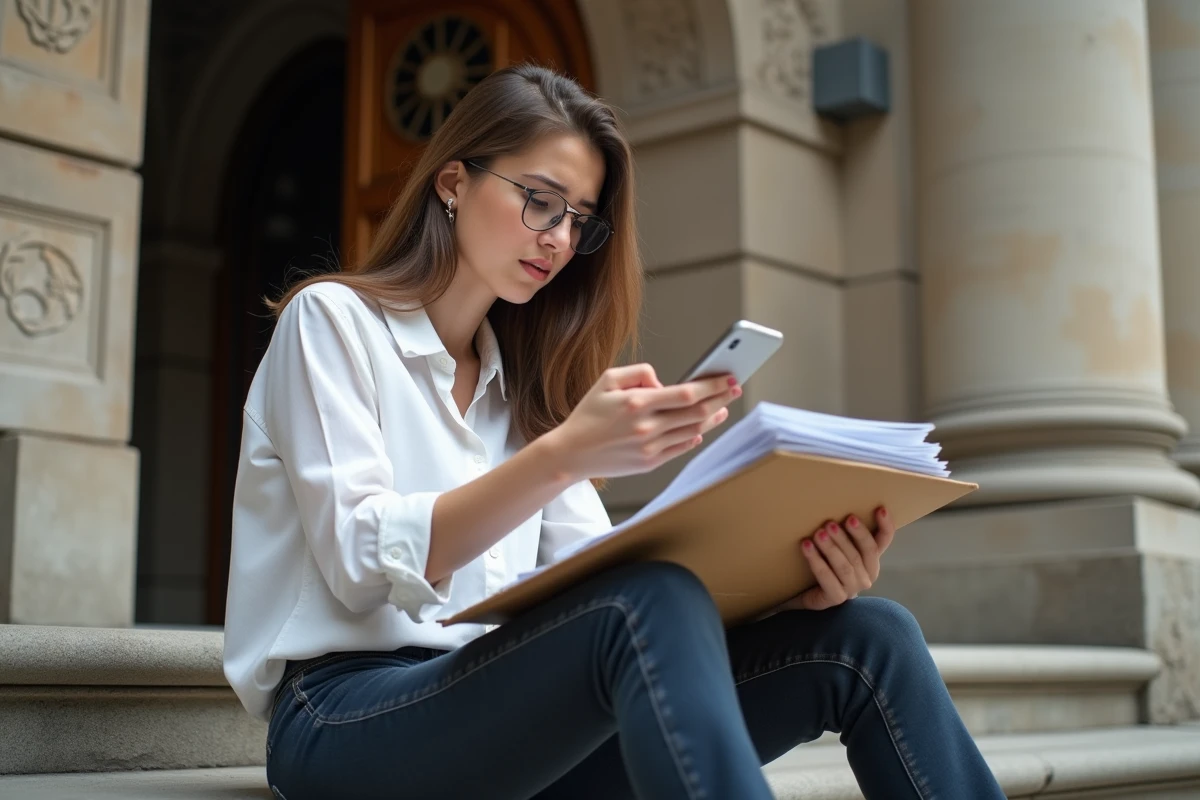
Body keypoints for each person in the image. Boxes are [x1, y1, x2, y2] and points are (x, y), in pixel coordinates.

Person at [222, 63, 1005, 800]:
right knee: (644, 600)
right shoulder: (332, 323)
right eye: (540, 200)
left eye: (579, 221)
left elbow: (598, 588)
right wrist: (567, 455)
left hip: (511, 720)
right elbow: (361, 561)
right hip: (342, 717)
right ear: (453, 182)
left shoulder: (526, 397)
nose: (560, 239)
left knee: (869, 635)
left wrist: (790, 595)